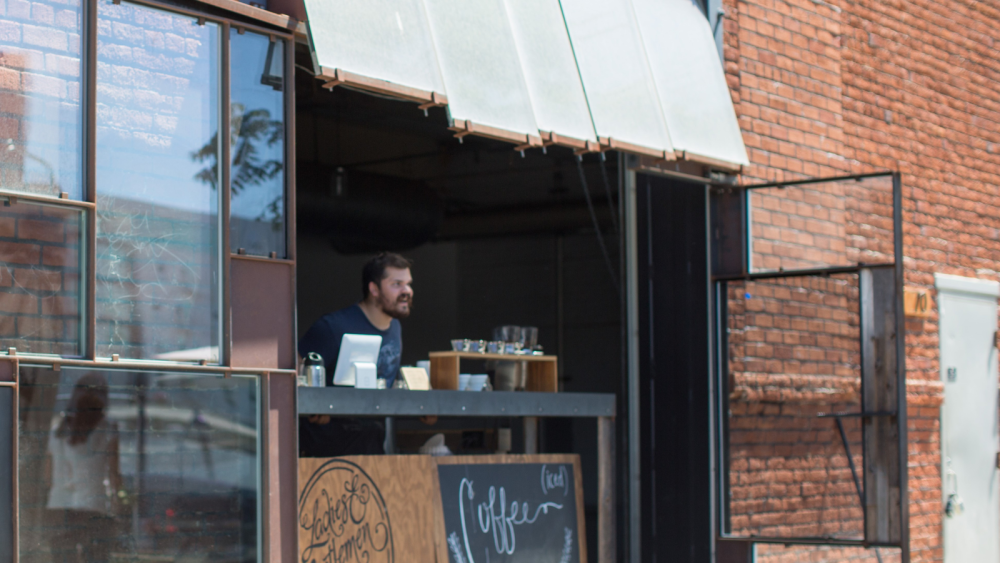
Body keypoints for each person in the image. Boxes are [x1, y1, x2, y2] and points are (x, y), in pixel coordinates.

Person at [297, 252, 413, 456]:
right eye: (397, 284)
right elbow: (294, 375)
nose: (407, 291)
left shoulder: (395, 328)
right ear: (374, 289)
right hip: (325, 452)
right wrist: (316, 406)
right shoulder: (332, 327)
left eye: (408, 284)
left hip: (371, 449)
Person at [45, 373, 121, 563]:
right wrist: (119, 506)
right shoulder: (108, 429)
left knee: (63, 558)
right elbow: (114, 474)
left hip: (58, 506)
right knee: (96, 557)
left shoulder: (57, 430)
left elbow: (47, 476)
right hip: (93, 506)